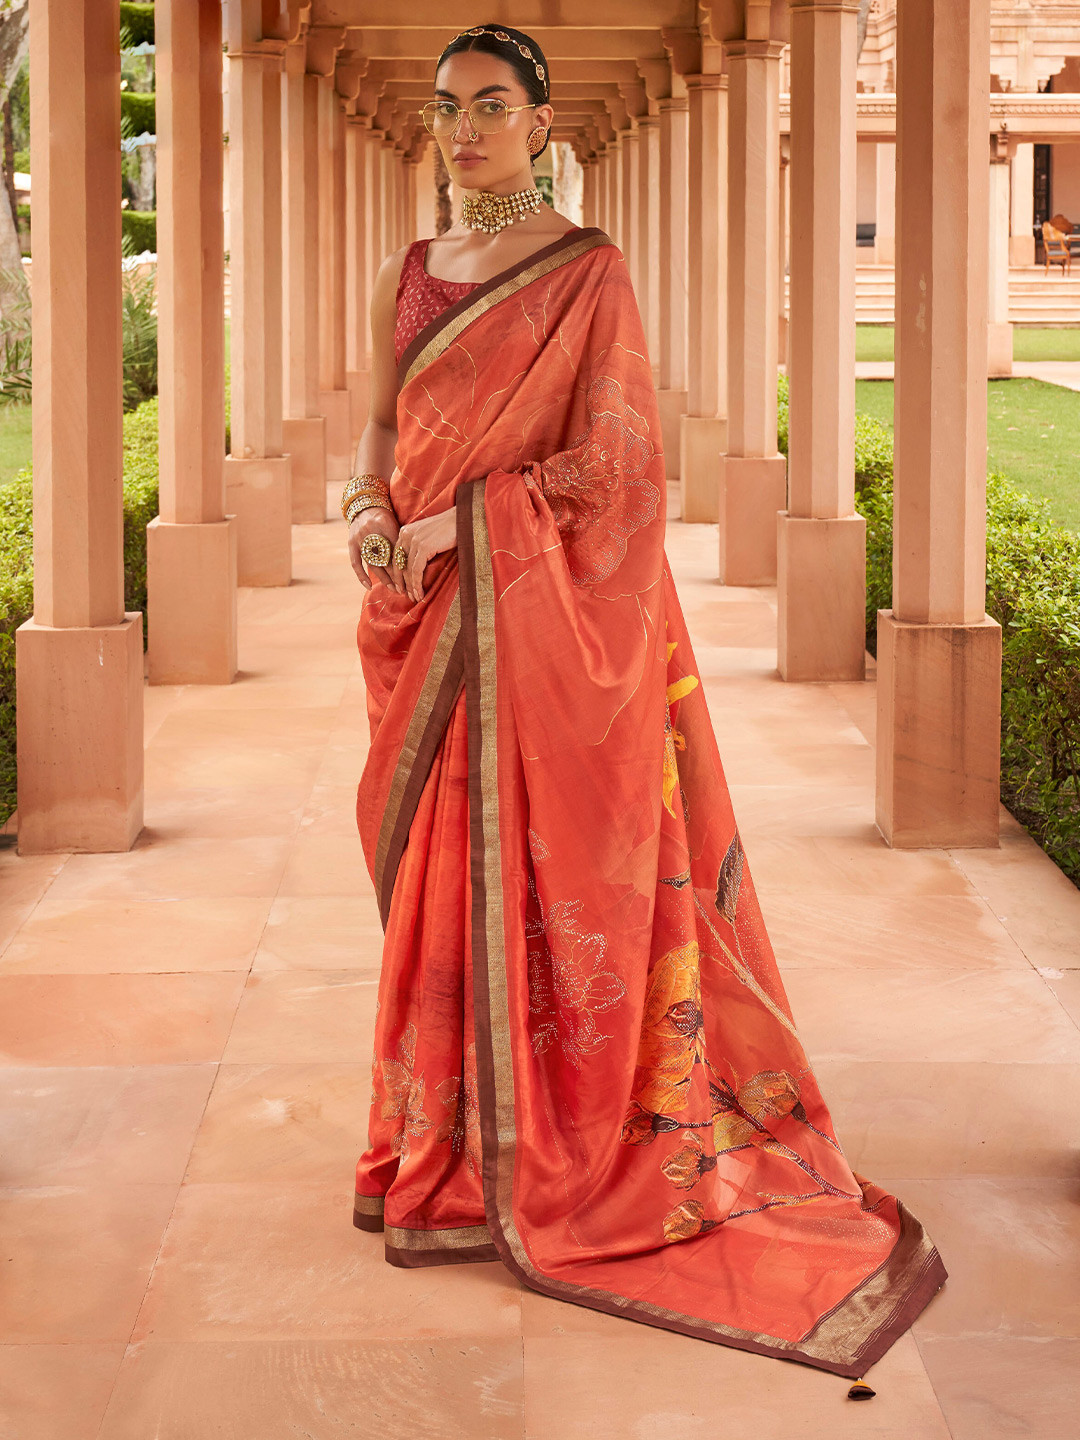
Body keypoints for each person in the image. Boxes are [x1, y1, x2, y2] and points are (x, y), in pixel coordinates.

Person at [345, 21, 946, 1395]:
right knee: (438, 882)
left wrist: (462, 531)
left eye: (493, 106)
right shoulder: (414, 272)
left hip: (533, 626)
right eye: (449, 110)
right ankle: (440, 1151)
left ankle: (550, 1139)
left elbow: (618, 466)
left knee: (554, 883)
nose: (467, 130)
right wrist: (374, 509)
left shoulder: (585, 271)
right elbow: (384, 430)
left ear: (543, 122)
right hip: (432, 619)